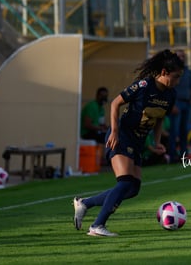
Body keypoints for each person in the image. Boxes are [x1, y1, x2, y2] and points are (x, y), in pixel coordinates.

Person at [73, 49, 184, 236]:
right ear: (164, 72)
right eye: (176, 77)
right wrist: (114, 132)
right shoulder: (144, 85)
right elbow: (115, 103)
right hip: (122, 136)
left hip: (138, 141)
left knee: (133, 189)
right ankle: (97, 226)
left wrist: (156, 142)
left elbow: (159, 119)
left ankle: (85, 203)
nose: (177, 81)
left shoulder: (170, 95)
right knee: (124, 183)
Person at [168, 49, 191, 163]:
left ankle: (184, 155)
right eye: (179, 56)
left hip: (186, 103)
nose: (182, 58)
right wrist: (172, 104)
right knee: (174, 131)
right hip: (176, 102)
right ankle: (172, 155)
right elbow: (169, 87)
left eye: (183, 56)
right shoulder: (171, 71)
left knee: (184, 131)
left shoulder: (187, 71)